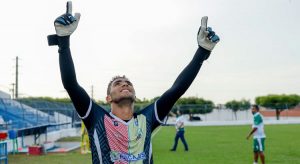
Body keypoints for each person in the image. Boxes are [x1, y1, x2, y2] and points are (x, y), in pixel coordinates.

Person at [47, 1, 219, 163]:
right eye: (118, 83)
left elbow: (177, 89)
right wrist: (63, 43)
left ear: (135, 95)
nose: (125, 84)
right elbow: (71, 84)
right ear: (108, 98)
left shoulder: (147, 119)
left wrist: (201, 53)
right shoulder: (96, 118)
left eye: (128, 82)